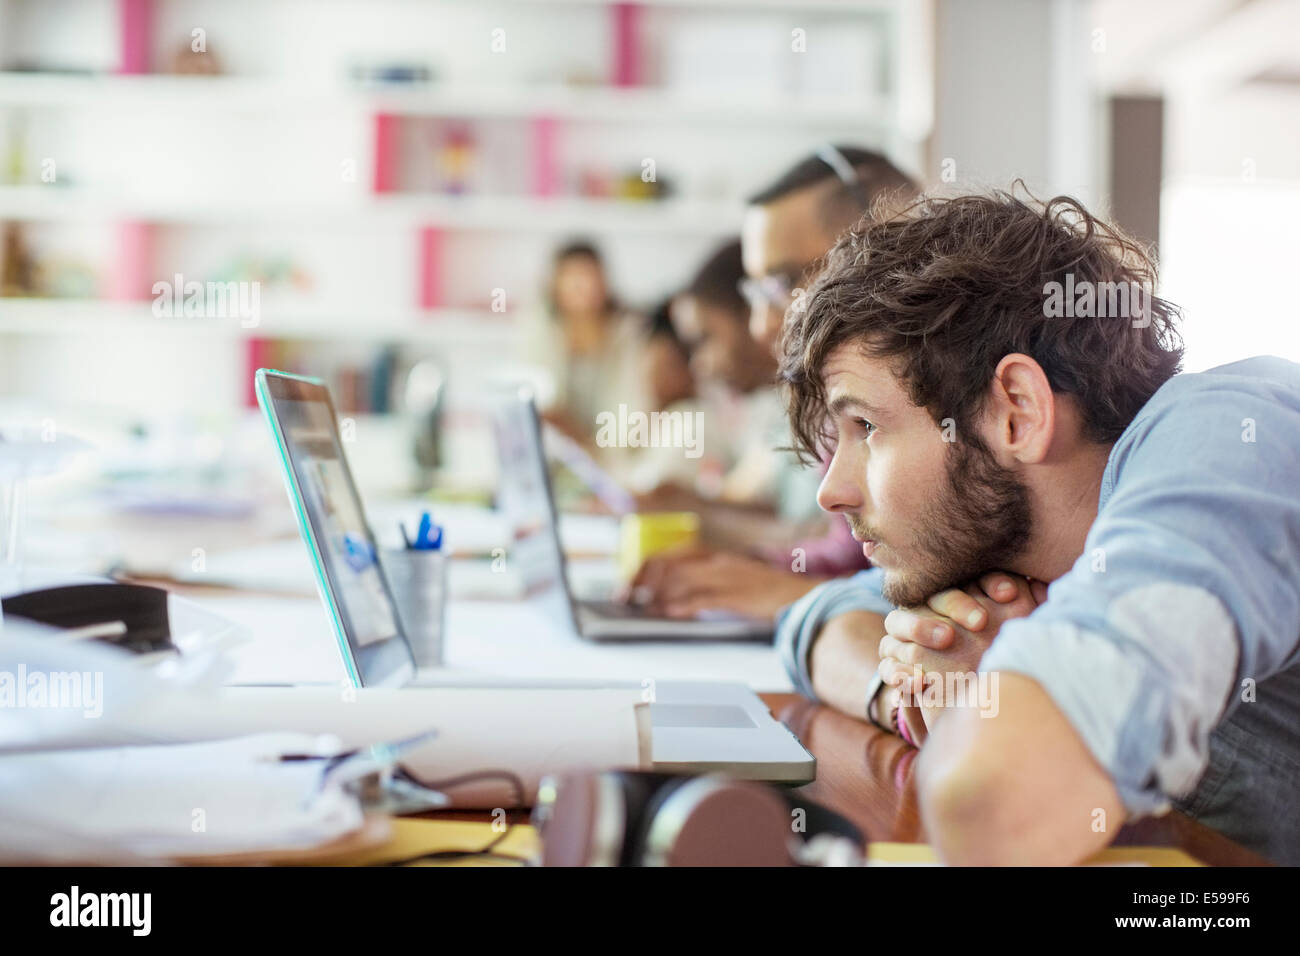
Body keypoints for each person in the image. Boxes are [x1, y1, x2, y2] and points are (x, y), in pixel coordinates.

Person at [775, 186, 1300, 865]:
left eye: (866, 427)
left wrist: (993, 697)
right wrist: (909, 689)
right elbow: (816, 621)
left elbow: (993, 797)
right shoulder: (1021, 547)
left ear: (1017, 411)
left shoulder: (1232, 442)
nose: (832, 493)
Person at [626, 146, 918, 620]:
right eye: (757, 292)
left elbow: (930, 604)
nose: (761, 327)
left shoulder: (946, 409)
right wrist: (744, 573)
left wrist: (781, 592)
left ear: (886, 258)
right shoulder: (839, 408)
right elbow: (840, 556)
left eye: (783, 284)